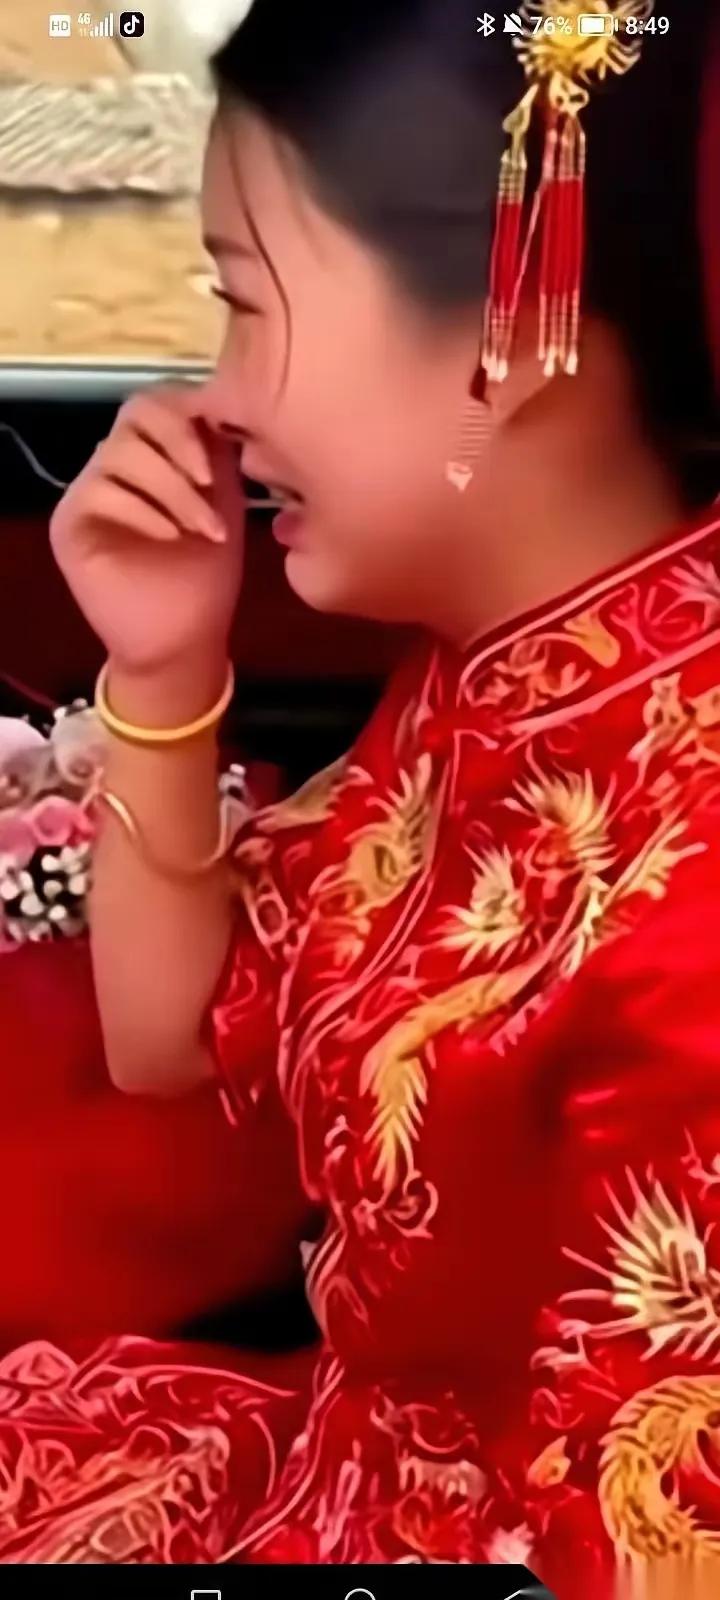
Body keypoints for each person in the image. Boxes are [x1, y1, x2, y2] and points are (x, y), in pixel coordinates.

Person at [1, 0, 719, 1592]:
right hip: (350, 1469)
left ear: (506, 326)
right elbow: (168, 1039)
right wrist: (164, 667)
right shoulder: (498, 672)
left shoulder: (692, 886)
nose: (219, 399)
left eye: (249, 307)